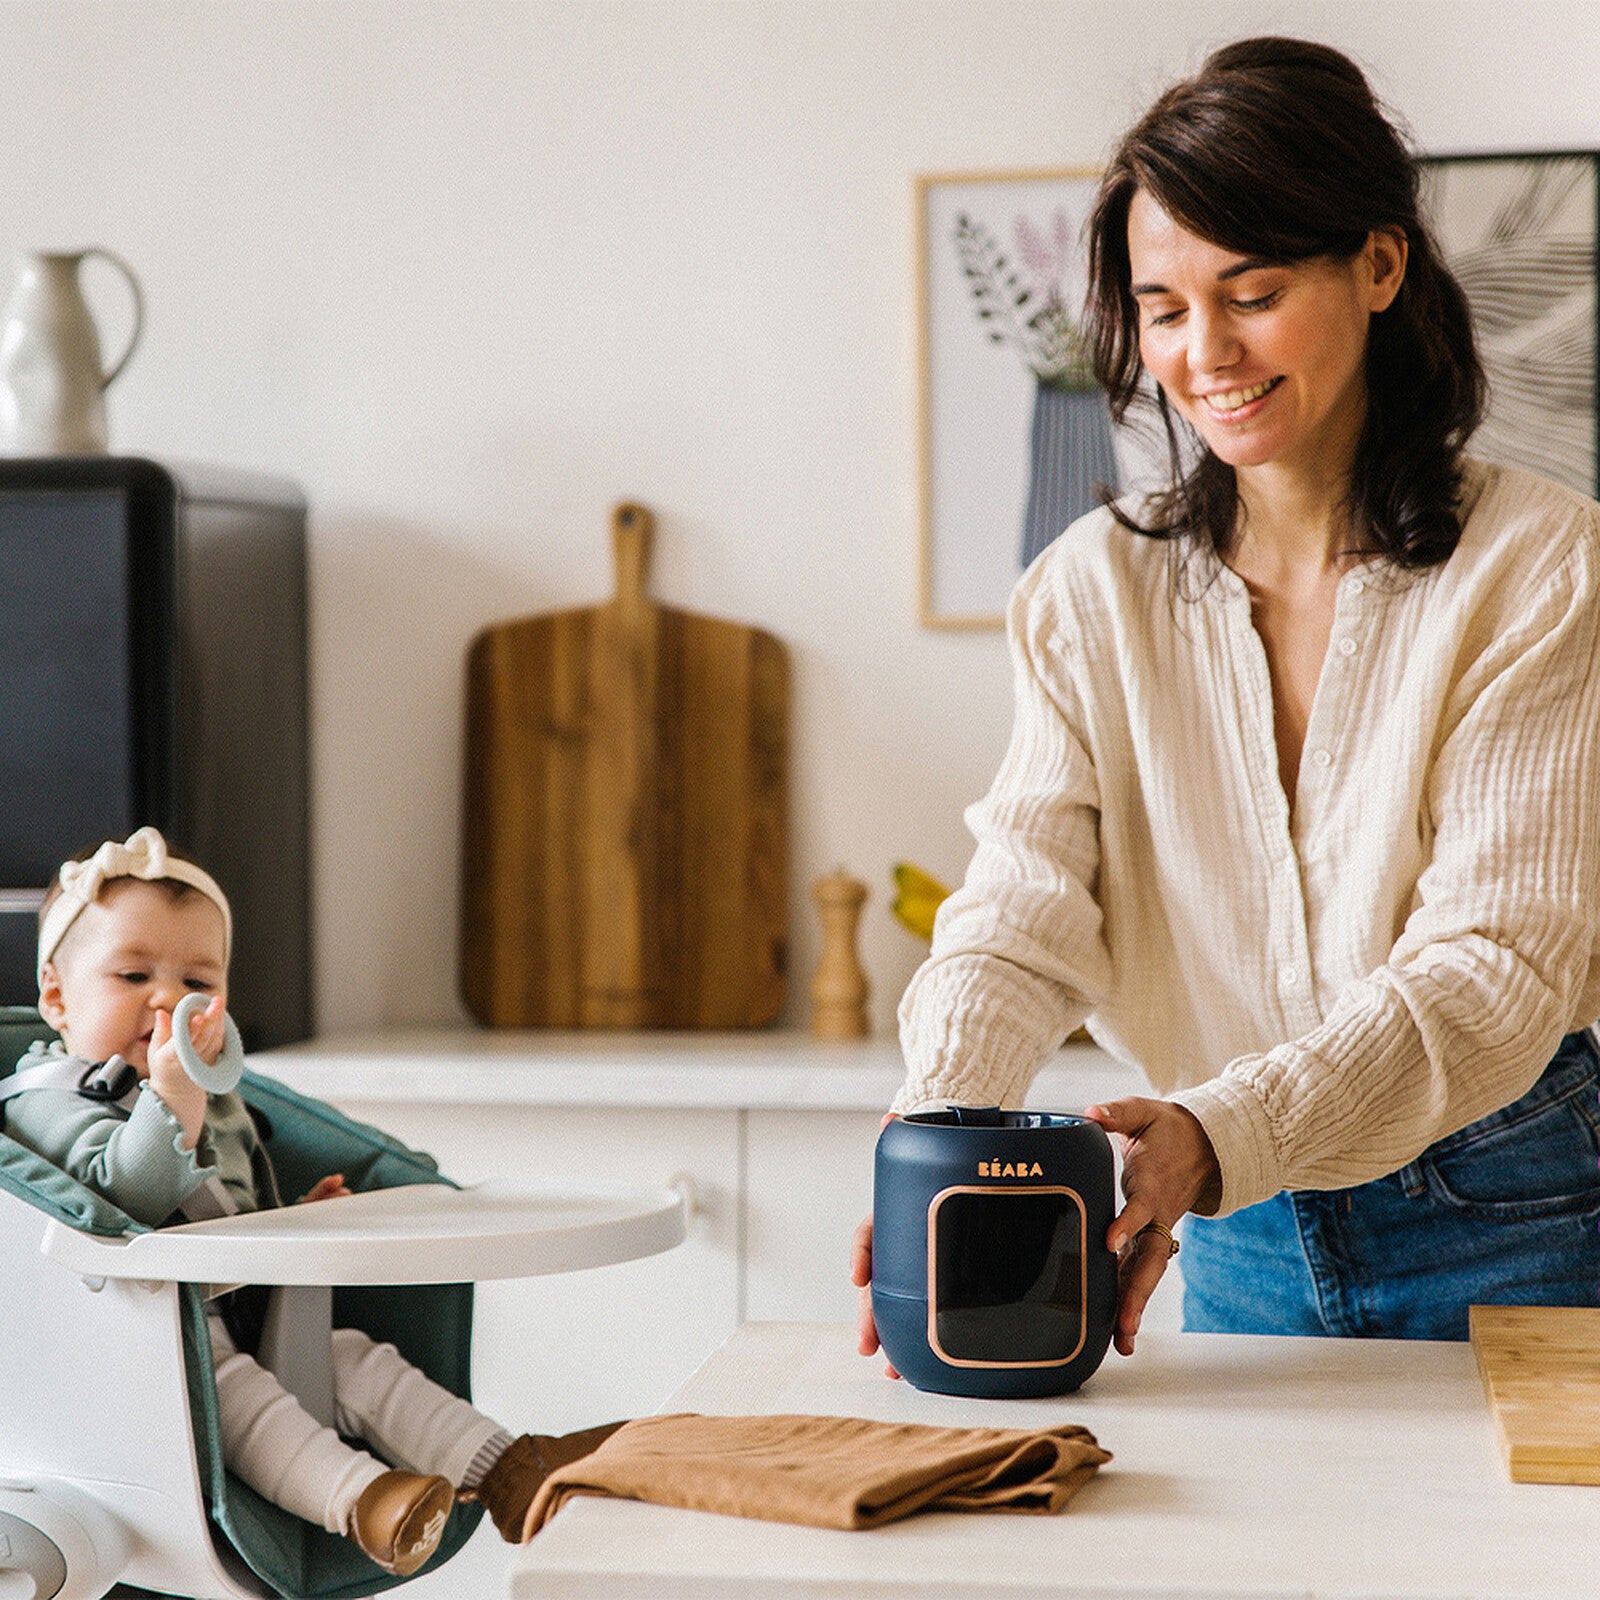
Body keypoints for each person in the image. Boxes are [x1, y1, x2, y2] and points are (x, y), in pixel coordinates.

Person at [855, 36, 1600, 1361]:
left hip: (1514, 1204)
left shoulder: (1542, 565)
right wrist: (939, 1130)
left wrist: (1224, 1131)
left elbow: (1497, 965)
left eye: (1252, 293)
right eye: (1164, 308)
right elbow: (1027, 906)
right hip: (1231, 1224)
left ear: (1380, 267)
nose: (1206, 354)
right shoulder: (1090, 589)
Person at [2, 827, 614, 1570]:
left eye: (197, 983)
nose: (169, 999)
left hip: (238, 1309)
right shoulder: (48, 1100)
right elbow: (124, 1193)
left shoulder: (216, 1102)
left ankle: (512, 1469)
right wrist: (174, 1097)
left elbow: (231, 1203)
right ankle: (366, 1501)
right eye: (134, 976)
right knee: (233, 1395)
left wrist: (299, 1210)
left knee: (355, 1360)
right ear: (57, 997)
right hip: (142, 1341)